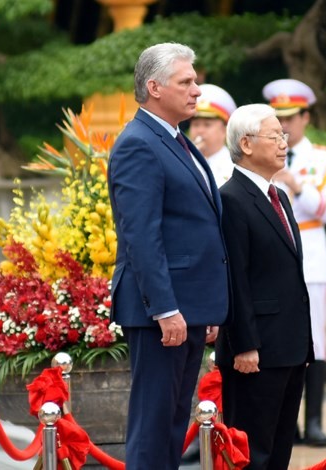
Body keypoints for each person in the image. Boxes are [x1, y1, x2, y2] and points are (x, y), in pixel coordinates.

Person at [107, 42, 229, 470]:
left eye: (196, 80)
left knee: (174, 422)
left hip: (187, 306)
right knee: (154, 422)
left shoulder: (176, 139)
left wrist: (203, 305)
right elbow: (141, 235)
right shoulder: (138, 143)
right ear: (155, 87)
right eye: (187, 81)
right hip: (161, 310)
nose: (198, 89)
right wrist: (165, 307)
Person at [216, 103, 314, 469]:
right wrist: (244, 344)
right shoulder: (231, 199)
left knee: (279, 451)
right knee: (252, 453)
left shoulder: (279, 196)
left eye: (283, 136)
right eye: (274, 136)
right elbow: (234, 278)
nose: (283, 143)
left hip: (288, 344)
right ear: (246, 143)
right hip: (254, 352)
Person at [262, 78, 326, 447]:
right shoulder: (258, 153)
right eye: (280, 118)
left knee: (316, 342)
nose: (286, 126)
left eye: (292, 117)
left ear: (306, 117)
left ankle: (314, 422)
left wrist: (295, 184)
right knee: (278, 340)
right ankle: (285, 422)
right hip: (272, 258)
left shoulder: (324, 158)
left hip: (311, 254)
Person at [188, 83, 237, 186]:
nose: (200, 130)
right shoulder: (186, 160)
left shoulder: (234, 165)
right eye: (196, 125)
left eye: (207, 125)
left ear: (224, 130)